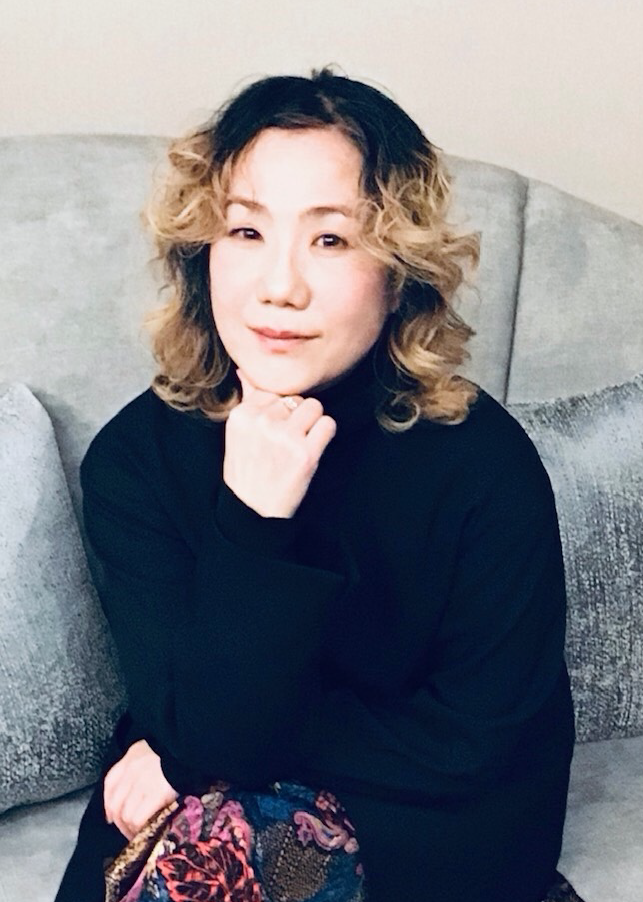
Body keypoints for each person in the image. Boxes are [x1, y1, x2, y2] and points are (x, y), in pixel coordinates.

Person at [56, 68, 580, 902]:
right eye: (245, 232)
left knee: (229, 855)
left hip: (437, 817)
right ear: (201, 254)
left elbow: (477, 742)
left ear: (397, 271)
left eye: (330, 240)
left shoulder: (480, 458)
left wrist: (195, 754)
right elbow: (203, 726)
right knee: (195, 855)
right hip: (216, 790)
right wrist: (253, 516)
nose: (280, 287)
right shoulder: (137, 459)